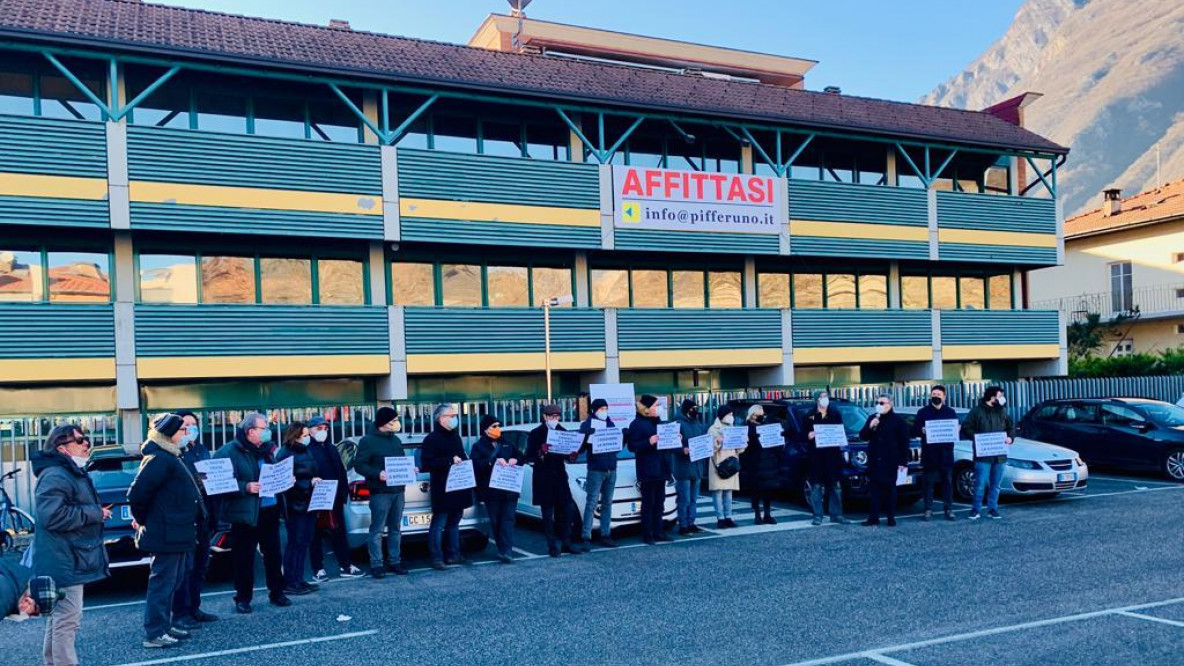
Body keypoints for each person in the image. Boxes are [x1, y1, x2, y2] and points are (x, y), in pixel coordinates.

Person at [32, 424, 111, 666]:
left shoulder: (66, 472)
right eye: (80, 440)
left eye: (86, 439)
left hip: (67, 556)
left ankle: (52, 663)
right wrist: (94, 513)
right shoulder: (57, 474)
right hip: (65, 559)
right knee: (67, 620)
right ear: (62, 448)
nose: (87, 443)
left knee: (58, 619)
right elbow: (52, 516)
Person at [127, 413, 204, 649]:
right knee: (162, 583)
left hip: (177, 532)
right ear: (169, 434)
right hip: (166, 533)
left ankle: (164, 625)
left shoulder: (171, 456)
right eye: (182, 430)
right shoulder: (159, 459)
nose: (186, 434)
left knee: (174, 581)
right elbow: (137, 495)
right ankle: (154, 632)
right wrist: (144, 520)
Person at [212, 412, 289, 614]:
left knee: (273, 555)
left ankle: (277, 593)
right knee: (244, 559)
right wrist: (245, 487)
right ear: (250, 431)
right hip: (245, 515)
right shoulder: (228, 452)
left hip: (270, 511)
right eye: (264, 428)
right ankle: (243, 598)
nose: (268, 432)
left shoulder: (269, 451)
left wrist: (285, 480)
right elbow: (216, 482)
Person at [171, 411, 218, 627]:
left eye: (194, 424)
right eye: (186, 425)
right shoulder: (175, 453)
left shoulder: (201, 449)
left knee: (201, 566)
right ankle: (181, 613)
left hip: (204, 515)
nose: (191, 429)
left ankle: (194, 607)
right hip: (186, 517)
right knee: (185, 569)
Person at [352, 407, 411, 579]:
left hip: (398, 490)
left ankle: (395, 561)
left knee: (395, 528)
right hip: (380, 492)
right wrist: (377, 474)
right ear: (384, 423)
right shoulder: (367, 441)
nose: (396, 424)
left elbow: (401, 461)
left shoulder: (396, 440)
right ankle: (377, 564)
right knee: (377, 529)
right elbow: (359, 465)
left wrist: (411, 468)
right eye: (393, 421)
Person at [306, 416, 363, 582]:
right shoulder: (306, 449)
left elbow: (341, 471)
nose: (322, 431)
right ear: (310, 430)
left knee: (339, 532)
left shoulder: (331, 448)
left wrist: (343, 492)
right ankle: (318, 569)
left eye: (325, 428)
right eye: (318, 428)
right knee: (315, 535)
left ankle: (346, 565)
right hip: (316, 499)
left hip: (336, 497)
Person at [525, 404, 584, 557]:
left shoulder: (562, 431)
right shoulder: (536, 433)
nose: (554, 419)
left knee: (566, 511)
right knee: (547, 514)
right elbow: (529, 456)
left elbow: (566, 454)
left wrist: (571, 456)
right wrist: (541, 451)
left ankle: (566, 542)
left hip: (559, 477)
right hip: (543, 478)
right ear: (545, 417)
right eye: (551, 417)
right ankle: (552, 546)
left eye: (557, 417)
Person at [421, 404, 474, 570]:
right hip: (443, 488)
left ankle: (454, 554)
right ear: (440, 418)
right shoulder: (432, 439)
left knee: (454, 523)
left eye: (455, 415)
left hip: (458, 487)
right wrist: (449, 461)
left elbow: (462, 457)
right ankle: (437, 557)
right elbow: (427, 462)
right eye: (451, 416)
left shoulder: (456, 437)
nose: (454, 418)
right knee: (439, 524)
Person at [470, 415, 524, 564]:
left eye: (498, 425)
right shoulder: (478, 446)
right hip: (491, 492)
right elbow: (475, 466)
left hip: (509, 489)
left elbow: (520, 456)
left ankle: (506, 551)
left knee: (508, 519)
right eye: (494, 426)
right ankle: (502, 548)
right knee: (496, 520)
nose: (497, 428)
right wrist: (491, 461)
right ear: (486, 430)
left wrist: (516, 460)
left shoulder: (507, 443)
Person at [277, 422, 320, 596]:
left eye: (308, 434)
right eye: (304, 435)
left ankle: (299, 578)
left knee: (304, 542)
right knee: (296, 542)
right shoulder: (286, 453)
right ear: (295, 436)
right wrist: (308, 484)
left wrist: (315, 481)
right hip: (295, 506)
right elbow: (285, 482)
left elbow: (309, 471)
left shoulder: (304, 450)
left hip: (309, 503)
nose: (307, 438)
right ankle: (290, 580)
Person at [962, 386, 1015, 520]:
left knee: (996, 485)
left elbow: (1011, 427)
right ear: (991, 397)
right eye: (999, 396)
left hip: (1000, 455)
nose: (1002, 399)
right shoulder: (976, 411)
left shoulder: (1002, 411)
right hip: (983, 455)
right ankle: (976, 510)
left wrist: (1010, 437)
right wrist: (977, 438)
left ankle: (993, 509)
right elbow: (966, 428)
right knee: (979, 484)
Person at [859, 395, 911, 527]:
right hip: (875, 460)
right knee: (874, 491)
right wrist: (871, 426)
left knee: (890, 490)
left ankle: (890, 517)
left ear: (890, 404)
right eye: (877, 402)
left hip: (891, 461)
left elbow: (904, 443)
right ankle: (873, 517)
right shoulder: (873, 418)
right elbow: (863, 435)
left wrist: (902, 462)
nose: (879, 405)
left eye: (882, 402)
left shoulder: (898, 421)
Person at [626, 395, 671, 545]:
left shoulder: (658, 422)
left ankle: (658, 531)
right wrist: (648, 441)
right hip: (647, 469)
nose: (658, 408)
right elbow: (632, 446)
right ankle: (647, 533)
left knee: (660, 502)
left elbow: (666, 441)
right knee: (648, 503)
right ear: (646, 408)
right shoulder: (637, 424)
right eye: (655, 405)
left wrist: (675, 437)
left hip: (661, 468)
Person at [912, 385, 959, 522]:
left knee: (947, 483)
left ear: (944, 397)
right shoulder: (923, 412)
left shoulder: (950, 412)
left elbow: (956, 431)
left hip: (946, 454)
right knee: (928, 483)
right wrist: (921, 430)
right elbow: (914, 429)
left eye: (938, 394)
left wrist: (957, 429)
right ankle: (928, 509)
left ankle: (948, 509)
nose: (936, 396)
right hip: (930, 454)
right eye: (934, 394)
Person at [803, 391, 849, 526]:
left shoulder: (835, 414)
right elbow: (802, 434)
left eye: (826, 397)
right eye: (822, 397)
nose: (825, 399)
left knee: (835, 486)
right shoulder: (809, 416)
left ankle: (837, 515)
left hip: (833, 456)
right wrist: (808, 435)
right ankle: (818, 515)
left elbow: (840, 431)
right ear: (817, 400)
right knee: (816, 486)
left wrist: (841, 438)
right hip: (816, 457)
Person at [577, 398, 618, 548]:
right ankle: (586, 536)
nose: (604, 411)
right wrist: (588, 436)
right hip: (596, 469)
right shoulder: (587, 425)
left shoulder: (610, 423)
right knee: (592, 502)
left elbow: (616, 445)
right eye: (601, 408)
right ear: (594, 410)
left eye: (606, 408)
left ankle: (605, 534)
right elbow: (580, 448)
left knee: (607, 502)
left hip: (611, 468)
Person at [739, 405, 782, 525]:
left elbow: (776, 441)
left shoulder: (767, 426)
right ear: (753, 415)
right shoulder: (746, 428)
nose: (763, 416)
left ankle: (767, 514)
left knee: (768, 489)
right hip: (755, 463)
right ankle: (757, 515)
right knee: (756, 490)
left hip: (768, 461)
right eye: (760, 414)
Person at [672, 399, 707, 535]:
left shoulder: (698, 424)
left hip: (697, 466)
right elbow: (672, 444)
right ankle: (683, 525)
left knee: (693, 499)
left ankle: (691, 523)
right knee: (684, 499)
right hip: (684, 467)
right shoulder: (678, 424)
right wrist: (682, 450)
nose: (696, 410)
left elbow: (703, 441)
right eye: (693, 408)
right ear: (687, 410)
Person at [707, 405, 743, 528]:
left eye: (732, 415)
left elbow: (739, 449)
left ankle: (728, 517)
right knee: (718, 492)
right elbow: (709, 449)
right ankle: (720, 518)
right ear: (723, 415)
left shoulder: (733, 428)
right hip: (719, 463)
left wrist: (743, 442)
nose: (731, 417)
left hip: (731, 463)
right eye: (729, 415)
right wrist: (718, 442)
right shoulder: (713, 429)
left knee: (728, 492)